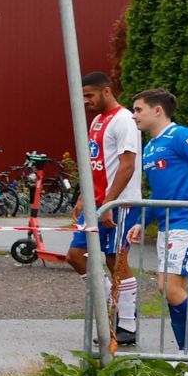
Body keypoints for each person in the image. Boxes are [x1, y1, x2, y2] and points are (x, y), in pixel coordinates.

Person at [124, 89, 188, 376]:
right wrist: (145, 221)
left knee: (168, 287)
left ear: (158, 110)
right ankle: (186, 353)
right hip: (170, 223)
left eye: (139, 109)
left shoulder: (182, 135)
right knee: (171, 290)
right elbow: (160, 191)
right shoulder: (151, 147)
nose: (134, 115)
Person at [68, 72, 143, 347]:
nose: (86, 101)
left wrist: (109, 203)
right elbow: (93, 161)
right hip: (96, 201)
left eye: (90, 95)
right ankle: (108, 303)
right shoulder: (98, 121)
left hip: (119, 203)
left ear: (107, 91)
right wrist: (82, 196)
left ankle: (127, 323)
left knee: (116, 260)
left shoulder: (125, 120)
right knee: (75, 255)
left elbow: (127, 166)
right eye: (83, 96)